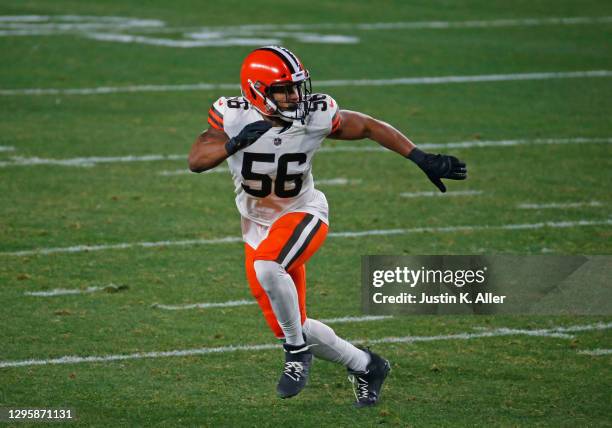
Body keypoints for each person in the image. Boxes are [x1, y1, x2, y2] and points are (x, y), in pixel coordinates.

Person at [188, 46, 467, 407]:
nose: (295, 96)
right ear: (257, 90)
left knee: (269, 270)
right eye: (284, 90)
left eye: (296, 87)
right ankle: (367, 365)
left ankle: (296, 354)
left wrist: (420, 157)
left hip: (304, 213)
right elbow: (196, 160)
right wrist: (234, 143)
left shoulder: (316, 115)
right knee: (294, 322)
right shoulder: (233, 116)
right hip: (257, 225)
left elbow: (367, 126)